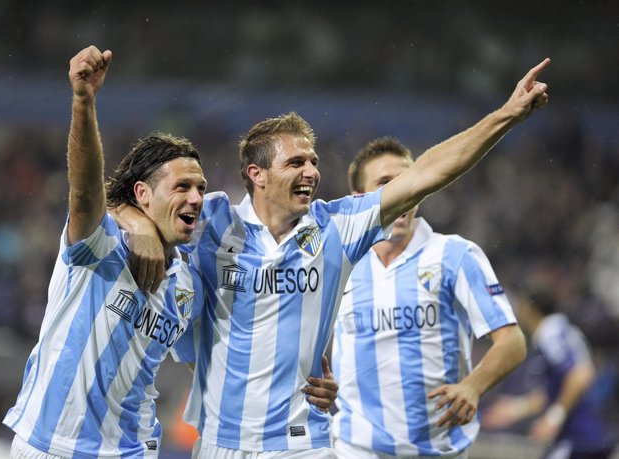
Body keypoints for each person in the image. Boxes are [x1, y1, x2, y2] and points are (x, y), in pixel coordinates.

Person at [115, 59, 550, 458]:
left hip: (302, 445)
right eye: (297, 162)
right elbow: (124, 201)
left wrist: (506, 114)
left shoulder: (337, 227)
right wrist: (135, 224)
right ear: (257, 174)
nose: (312, 172)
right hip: (218, 443)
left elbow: (427, 175)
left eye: (314, 161)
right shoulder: (211, 221)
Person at [2, 45, 208, 458]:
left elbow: (198, 363)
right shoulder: (101, 244)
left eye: (201, 188)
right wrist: (83, 102)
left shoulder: (189, 285)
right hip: (51, 445)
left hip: (130, 450)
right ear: (143, 195)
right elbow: (85, 193)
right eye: (182, 187)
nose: (197, 198)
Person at [331, 136, 527, 459]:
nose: (403, 192)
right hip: (355, 449)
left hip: (439, 451)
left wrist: (473, 386)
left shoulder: (455, 255)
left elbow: (513, 341)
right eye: (386, 183)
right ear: (360, 198)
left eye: (410, 181)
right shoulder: (338, 262)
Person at [482, 288, 615, 459]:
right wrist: (515, 409)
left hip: (578, 436)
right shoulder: (560, 329)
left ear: (529, 308)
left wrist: (554, 418)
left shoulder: (550, 333)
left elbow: (580, 375)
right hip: (587, 437)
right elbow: (552, 393)